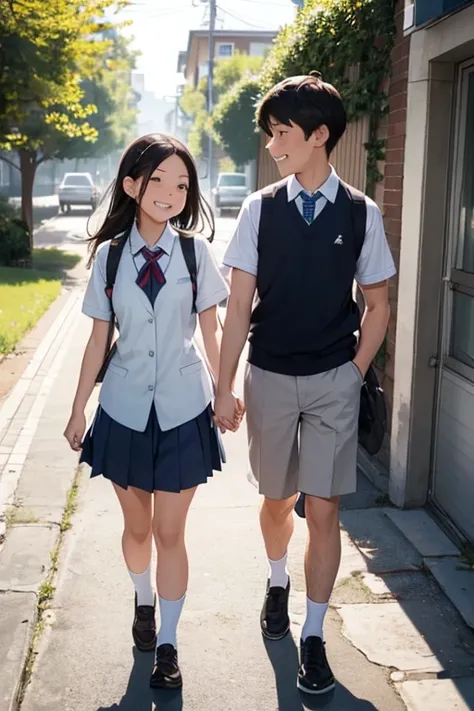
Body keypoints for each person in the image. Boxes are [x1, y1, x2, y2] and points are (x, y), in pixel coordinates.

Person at [214, 73, 396, 695]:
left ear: (319, 136)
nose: (272, 144)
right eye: (270, 133)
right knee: (276, 502)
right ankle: (275, 578)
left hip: (332, 382)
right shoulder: (258, 209)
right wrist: (224, 384)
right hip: (267, 375)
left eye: (282, 132)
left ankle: (313, 637)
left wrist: (353, 373)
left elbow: (378, 305)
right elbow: (237, 307)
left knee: (325, 508)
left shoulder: (361, 214)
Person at [64, 133, 231, 690]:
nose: (170, 192)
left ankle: (168, 644)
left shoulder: (194, 252)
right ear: (132, 185)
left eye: (181, 183)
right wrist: (76, 410)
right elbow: (95, 343)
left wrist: (227, 390)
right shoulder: (110, 260)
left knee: (169, 533)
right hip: (125, 409)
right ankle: (143, 602)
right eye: (157, 179)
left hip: (185, 409)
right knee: (137, 530)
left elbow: (213, 330)